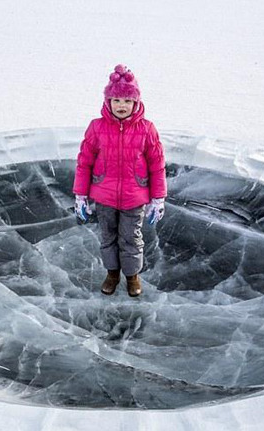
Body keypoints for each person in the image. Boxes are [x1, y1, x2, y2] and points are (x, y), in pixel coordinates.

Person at [73, 64, 166, 297]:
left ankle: (132, 276)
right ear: (108, 102)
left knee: (131, 238)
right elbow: (84, 162)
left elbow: (157, 165)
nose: (121, 106)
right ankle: (112, 273)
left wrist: (158, 198)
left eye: (126, 101)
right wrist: (81, 195)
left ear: (135, 103)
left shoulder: (147, 129)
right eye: (115, 100)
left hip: (134, 197)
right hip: (104, 195)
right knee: (108, 237)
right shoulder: (97, 127)